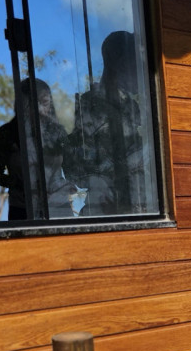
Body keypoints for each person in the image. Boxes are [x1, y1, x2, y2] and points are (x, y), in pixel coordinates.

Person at [65, 31, 153, 216]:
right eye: (137, 60)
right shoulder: (93, 105)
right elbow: (77, 171)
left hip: (138, 211)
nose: (143, 67)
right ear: (118, 61)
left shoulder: (132, 106)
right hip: (110, 213)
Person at [0, 77, 76, 221]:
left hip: (59, 207)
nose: (40, 109)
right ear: (22, 105)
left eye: (45, 103)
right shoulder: (6, 134)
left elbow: (72, 166)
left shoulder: (58, 132)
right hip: (22, 209)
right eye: (32, 104)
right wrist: (21, 184)